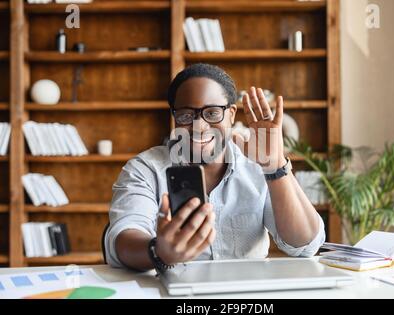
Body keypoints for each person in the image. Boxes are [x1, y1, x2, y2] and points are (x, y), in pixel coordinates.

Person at [104, 63, 325, 271]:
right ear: (174, 118)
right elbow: (122, 238)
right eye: (186, 115)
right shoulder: (145, 169)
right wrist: (159, 252)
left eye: (212, 113)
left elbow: (305, 245)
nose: (199, 126)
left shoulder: (257, 165)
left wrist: (274, 166)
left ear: (231, 114)